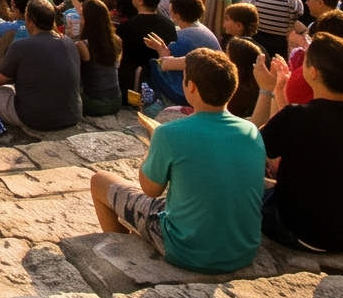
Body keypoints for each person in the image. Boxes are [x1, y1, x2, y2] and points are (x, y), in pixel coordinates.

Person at [88, 50, 265, 275]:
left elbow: (150, 190)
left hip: (187, 251)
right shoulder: (251, 130)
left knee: (99, 180)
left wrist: (153, 142)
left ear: (191, 86)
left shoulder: (169, 134)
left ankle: (126, 255)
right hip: (242, 251)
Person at [252, 33, 343, 253]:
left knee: (243, 193)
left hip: (307, 233)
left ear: (313, 72)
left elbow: (251, 147)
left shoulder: (298, 117)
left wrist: (267, 89)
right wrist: (280, 92)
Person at [0, 0, 82, 135]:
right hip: (72, 115)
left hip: (33, 118)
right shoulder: (69, 42)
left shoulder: (20, 46)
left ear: (30, 20)